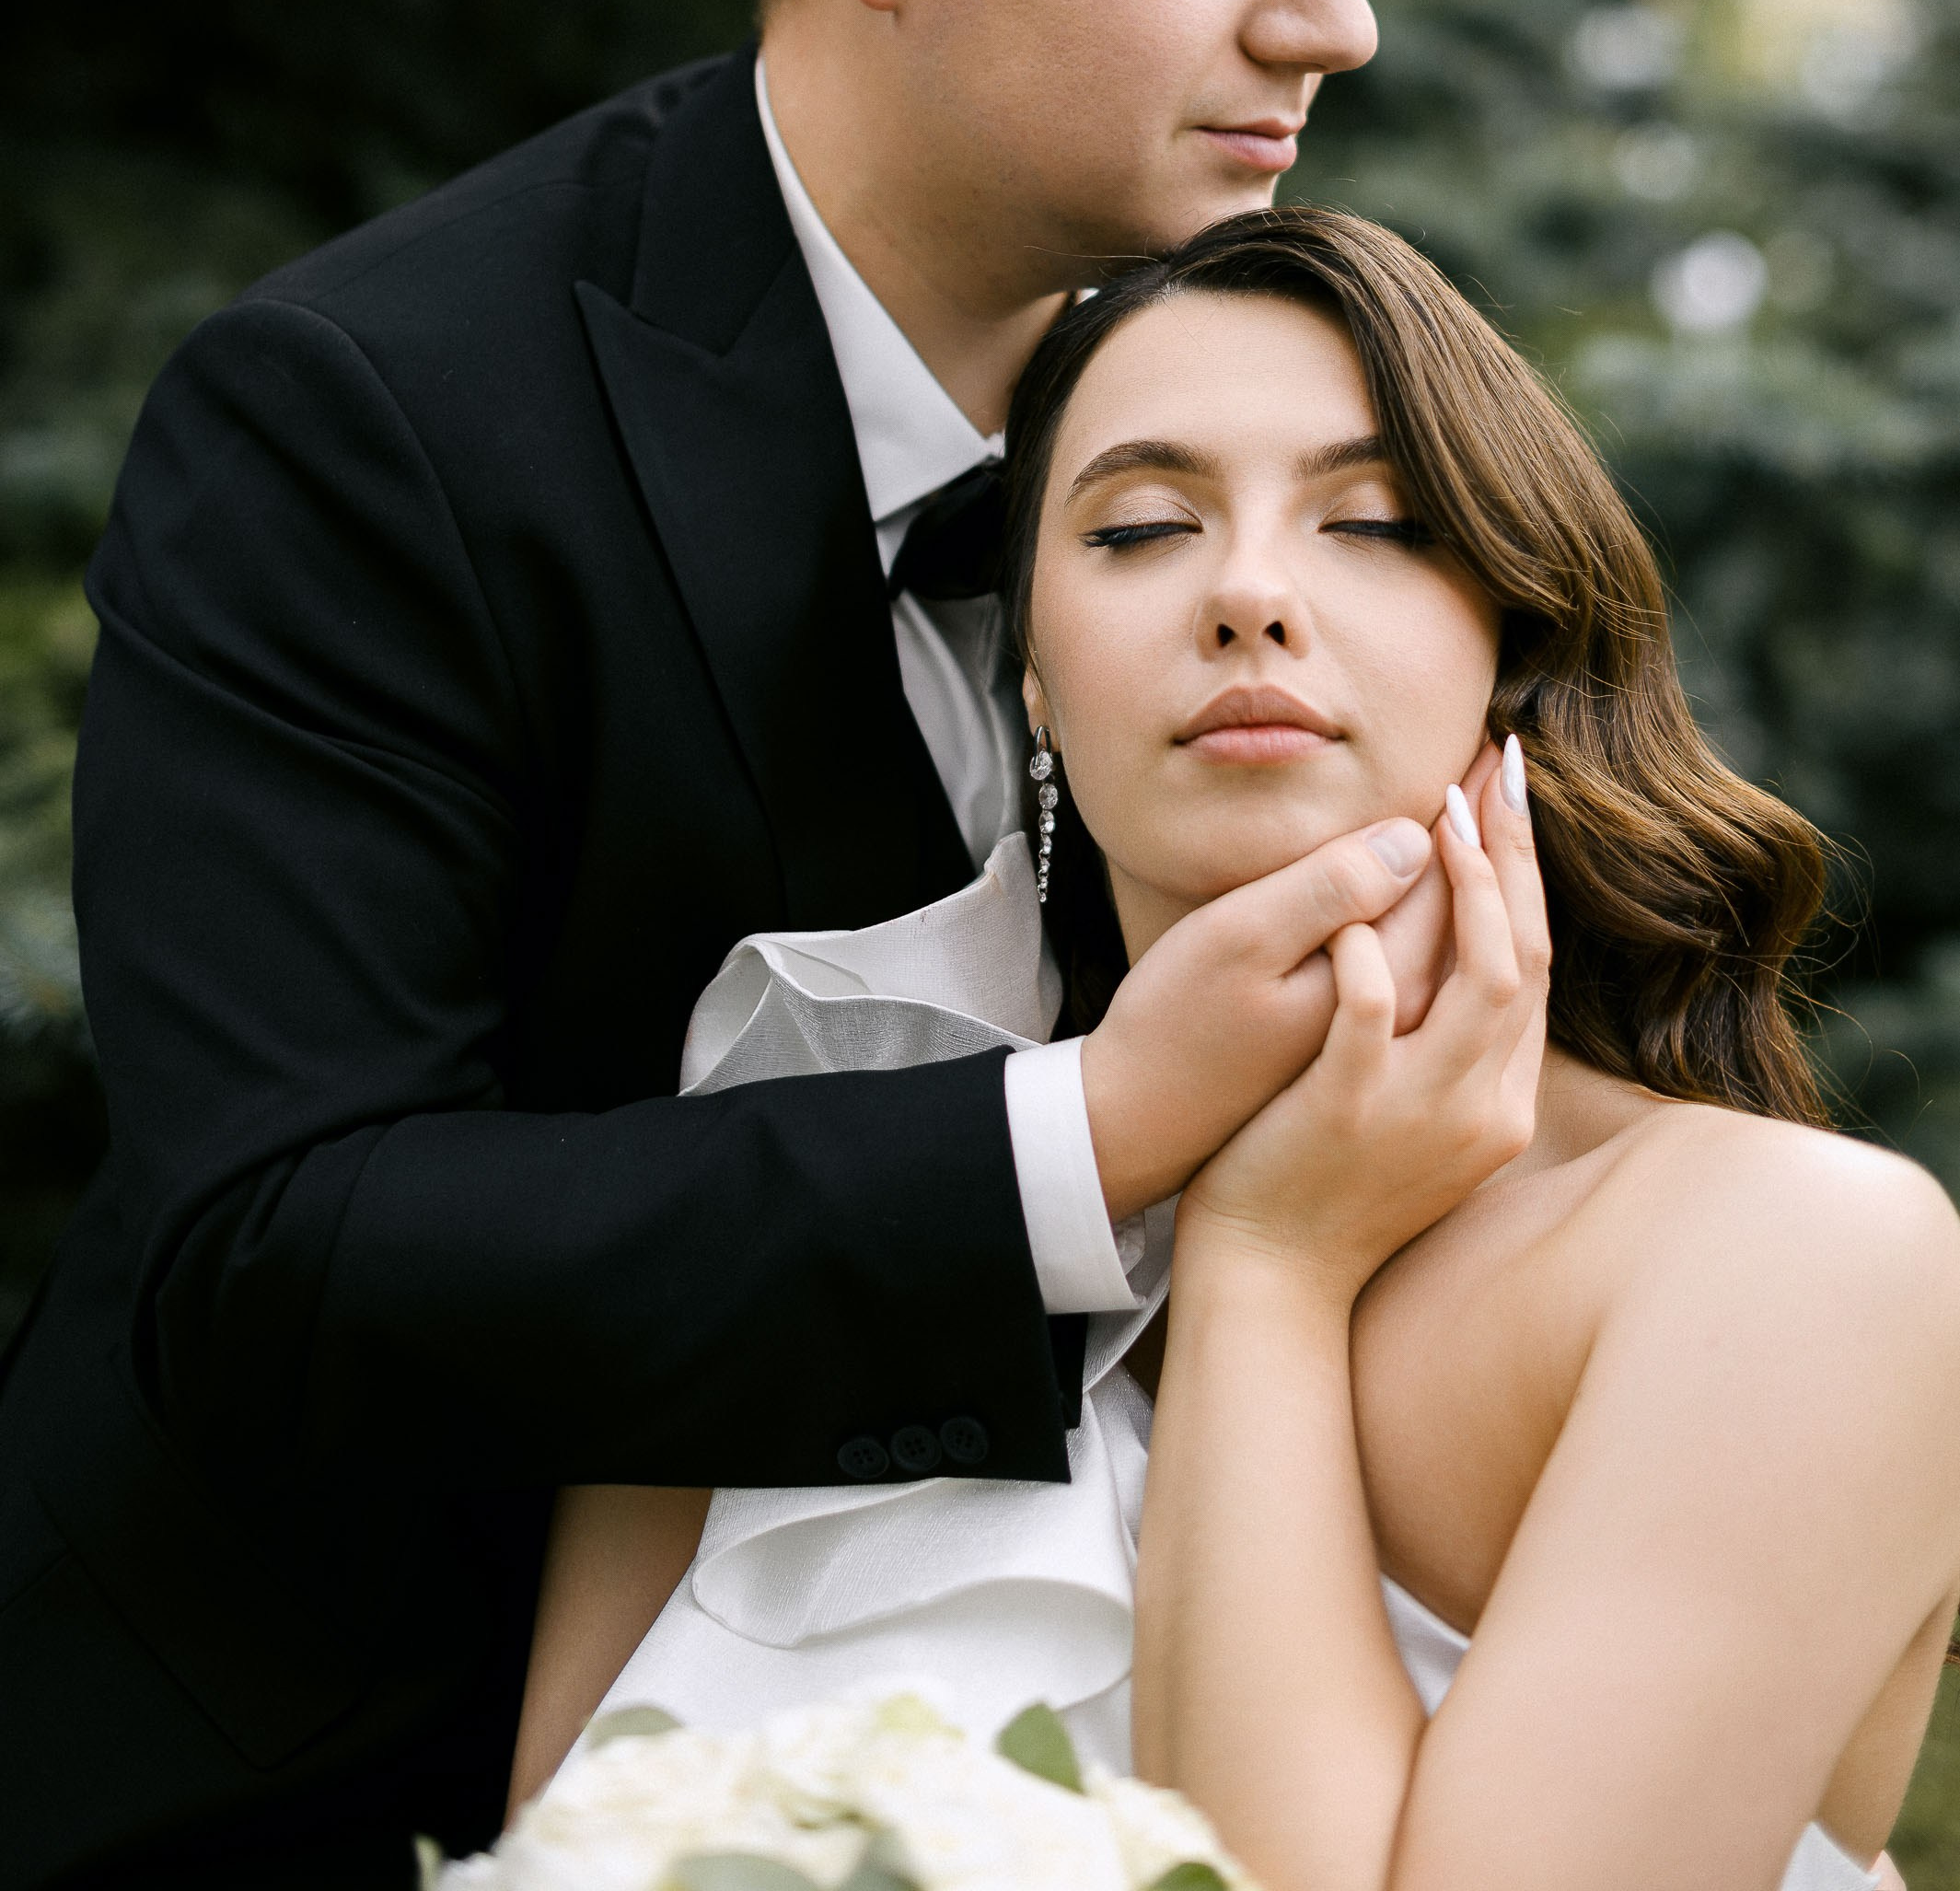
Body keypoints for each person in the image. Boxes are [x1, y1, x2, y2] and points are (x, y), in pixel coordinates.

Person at [0, 0, 1409, 1888]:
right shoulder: (372, 418)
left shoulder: (1293, 401)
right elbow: (279, 1258)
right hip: (319, 1786)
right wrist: (1083, 1140)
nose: (1336, 17)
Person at [511, 207, 1960, 1891]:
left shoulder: (1784, 1261)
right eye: (1138, 528)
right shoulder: (791, 1188)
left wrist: (1272, 1268)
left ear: (1506, 649)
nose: (1251, 593)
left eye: (1373, 523)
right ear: (1031, 676)